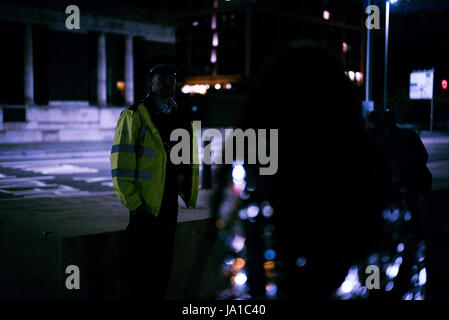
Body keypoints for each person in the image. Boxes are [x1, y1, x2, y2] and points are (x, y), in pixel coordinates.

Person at [110, 59, 199, 300]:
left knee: (163, 263)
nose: (169, 81)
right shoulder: (134, 115)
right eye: (163, 77)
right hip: (145, 206)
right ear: (151, 81)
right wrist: (135, 204)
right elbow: (121, 165)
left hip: (168, 202)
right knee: (141, 268)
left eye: (172, 77)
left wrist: (183, 186)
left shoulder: (179, 113)